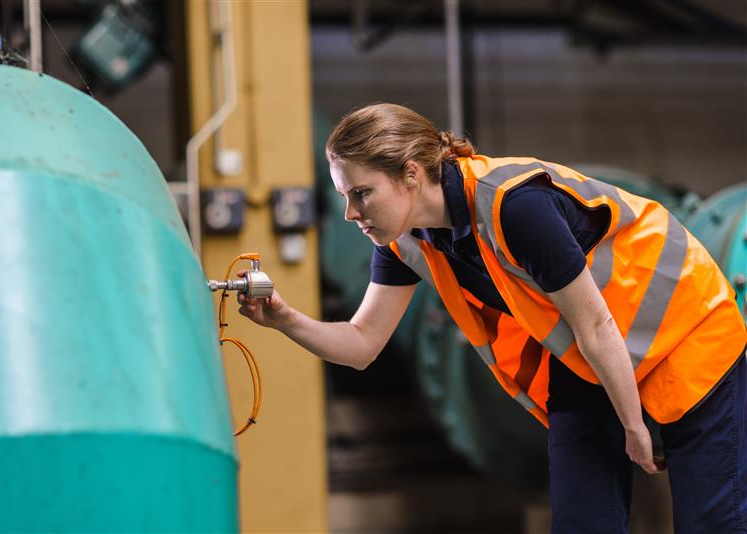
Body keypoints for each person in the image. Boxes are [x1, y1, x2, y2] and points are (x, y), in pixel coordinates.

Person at [237, 103, 747, 533]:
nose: (350, 213)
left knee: (712, 521)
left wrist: (634, 428)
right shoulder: (406, 242)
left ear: (411, 174)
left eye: (360, 193)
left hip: (683, 328)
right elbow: (362, 342)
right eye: (344, 195)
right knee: (581, 519)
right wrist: (284, 319)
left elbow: (598, 325)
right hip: (587, 356)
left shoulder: (515, 205)